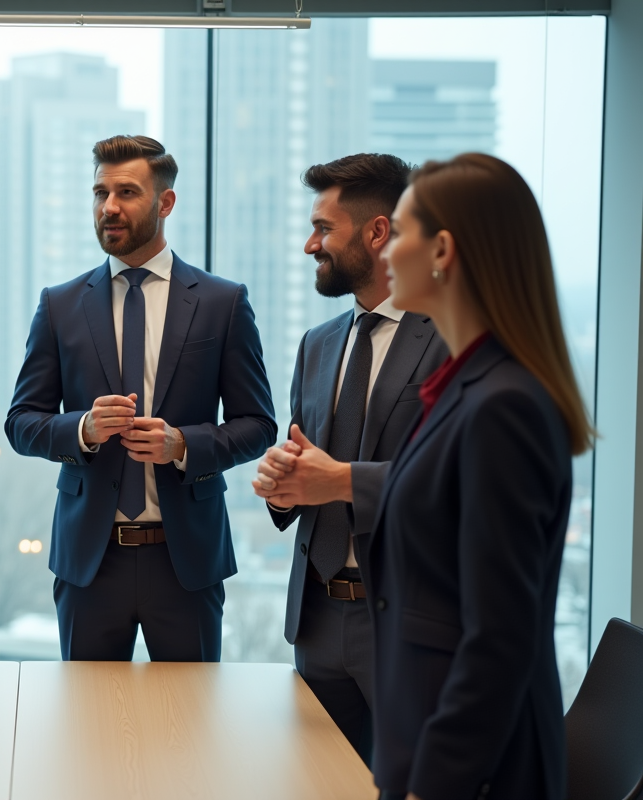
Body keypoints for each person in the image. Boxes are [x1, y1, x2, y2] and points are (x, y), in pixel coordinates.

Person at [369, 153, 594, 800]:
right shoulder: (464, 387)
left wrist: (432, 784)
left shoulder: (504, 407)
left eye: (402, 230)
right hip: (430, 743)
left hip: (471, 772)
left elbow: (499, 638)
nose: (386, 244)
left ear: (442, 249)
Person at [5, 135, 276, 662]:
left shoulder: (223, 302)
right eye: (100, 192)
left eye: (126, 191)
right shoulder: (59, 305)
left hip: (187, 561)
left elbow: (258, 424)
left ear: (165, 202)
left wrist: (182, 445)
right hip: (89, 560)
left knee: (189, 727)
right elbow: (21, 422)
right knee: (87, 725)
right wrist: (81, 428)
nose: (109, 207)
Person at [250, 154, 448, 763]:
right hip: (316, 618)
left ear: (377, 232)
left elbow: (456, 480)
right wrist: (281, 484)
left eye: (323, 228)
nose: (311, 244)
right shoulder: (317, 344)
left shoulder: (451, 336)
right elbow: (306, 461)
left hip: (407, 623)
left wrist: (339, 481)